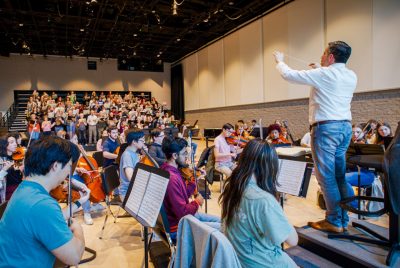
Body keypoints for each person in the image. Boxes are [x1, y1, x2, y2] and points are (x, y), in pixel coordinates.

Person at [274, 41, 357, 233]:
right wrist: (319, 69)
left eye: (323, 54)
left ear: (330, 57)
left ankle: (334, 221)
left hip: (327, 129)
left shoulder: (325, 74)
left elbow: (289, 75)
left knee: (326, 177)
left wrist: (280, 61)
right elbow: (331, 80)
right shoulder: (351, 75)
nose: (320, 56)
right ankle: (343, 217)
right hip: (344, 127)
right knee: (339, 175)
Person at [0, 136, 90, 267]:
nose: (68, 173)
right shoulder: (41, 204)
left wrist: (79, 202)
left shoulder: (25, 188)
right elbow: (74, 257)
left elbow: (49, 219)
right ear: (55, 166)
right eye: (69, 167)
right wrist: (78, 228)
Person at [219, 139, 298, 267]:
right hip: (261, 262)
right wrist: (279, 213)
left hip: (239, 259)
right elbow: (293, 241)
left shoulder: (233, 186)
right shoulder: (264, 200)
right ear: (269, 166)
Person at [161, 137, 220, 242]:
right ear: (174, 155)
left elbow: (183, 195)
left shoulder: (167, 169)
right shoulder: (172, 178)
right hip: (179, 227)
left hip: (183, 219)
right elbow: (183, 212)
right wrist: (197, 202)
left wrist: (194, 180)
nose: (187, 156)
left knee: (222, 221)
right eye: (184, 154)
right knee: (223, 228)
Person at [119, 129, 145, 200]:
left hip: (133, 189)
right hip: (128, 192)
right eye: (142, 140)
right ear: (134, 142)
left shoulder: (134, 153)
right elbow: (131, 177)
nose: (144, 142)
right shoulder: (127, 155)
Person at [0, 134, 24, 201]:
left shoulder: (18, 157)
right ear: (5, 144)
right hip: (7, 191)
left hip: (19, 187)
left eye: (15, 142)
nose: (15, 144)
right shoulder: (1, 160)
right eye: (11, 142)